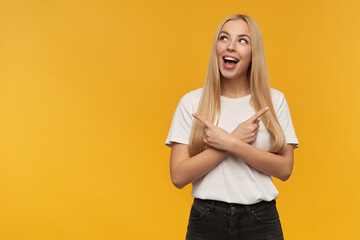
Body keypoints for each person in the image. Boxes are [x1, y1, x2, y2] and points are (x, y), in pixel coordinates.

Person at [165, 13, 299, 240]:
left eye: (242, 41)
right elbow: (178, 176)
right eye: (224, 38)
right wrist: (232, 141)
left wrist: (232, 143)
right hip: (206, 221)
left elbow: (284, 169)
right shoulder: (191, 102)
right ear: (216, 47)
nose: (231, 47)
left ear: (253, 52)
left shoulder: (274, 101)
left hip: (260, 222)